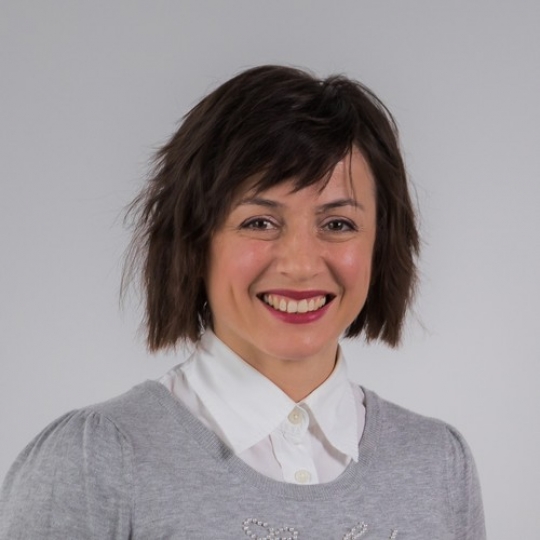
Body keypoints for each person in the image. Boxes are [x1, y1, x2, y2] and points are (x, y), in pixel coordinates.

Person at [0, 65, 486, 539]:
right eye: (259, 222)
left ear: (382, 245)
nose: (300, 264)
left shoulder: (439, 464)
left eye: (337, 224)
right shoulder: (95, 459)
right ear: (195, 241)